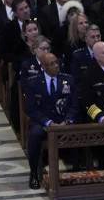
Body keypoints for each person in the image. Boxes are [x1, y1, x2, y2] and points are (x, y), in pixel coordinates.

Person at [25, 52, 77, 190]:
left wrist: (67, 120)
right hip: (44, 122)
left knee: (80, 129)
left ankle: (77, 169)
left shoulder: (69, 79)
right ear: (43, 66)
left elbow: (74, 105)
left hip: (64, 120)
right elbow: (31, 109)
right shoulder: (33, 82)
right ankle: (34, 173)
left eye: (56, 62)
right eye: (51, 64)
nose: (56, 66)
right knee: (35, 135)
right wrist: (48, 123)